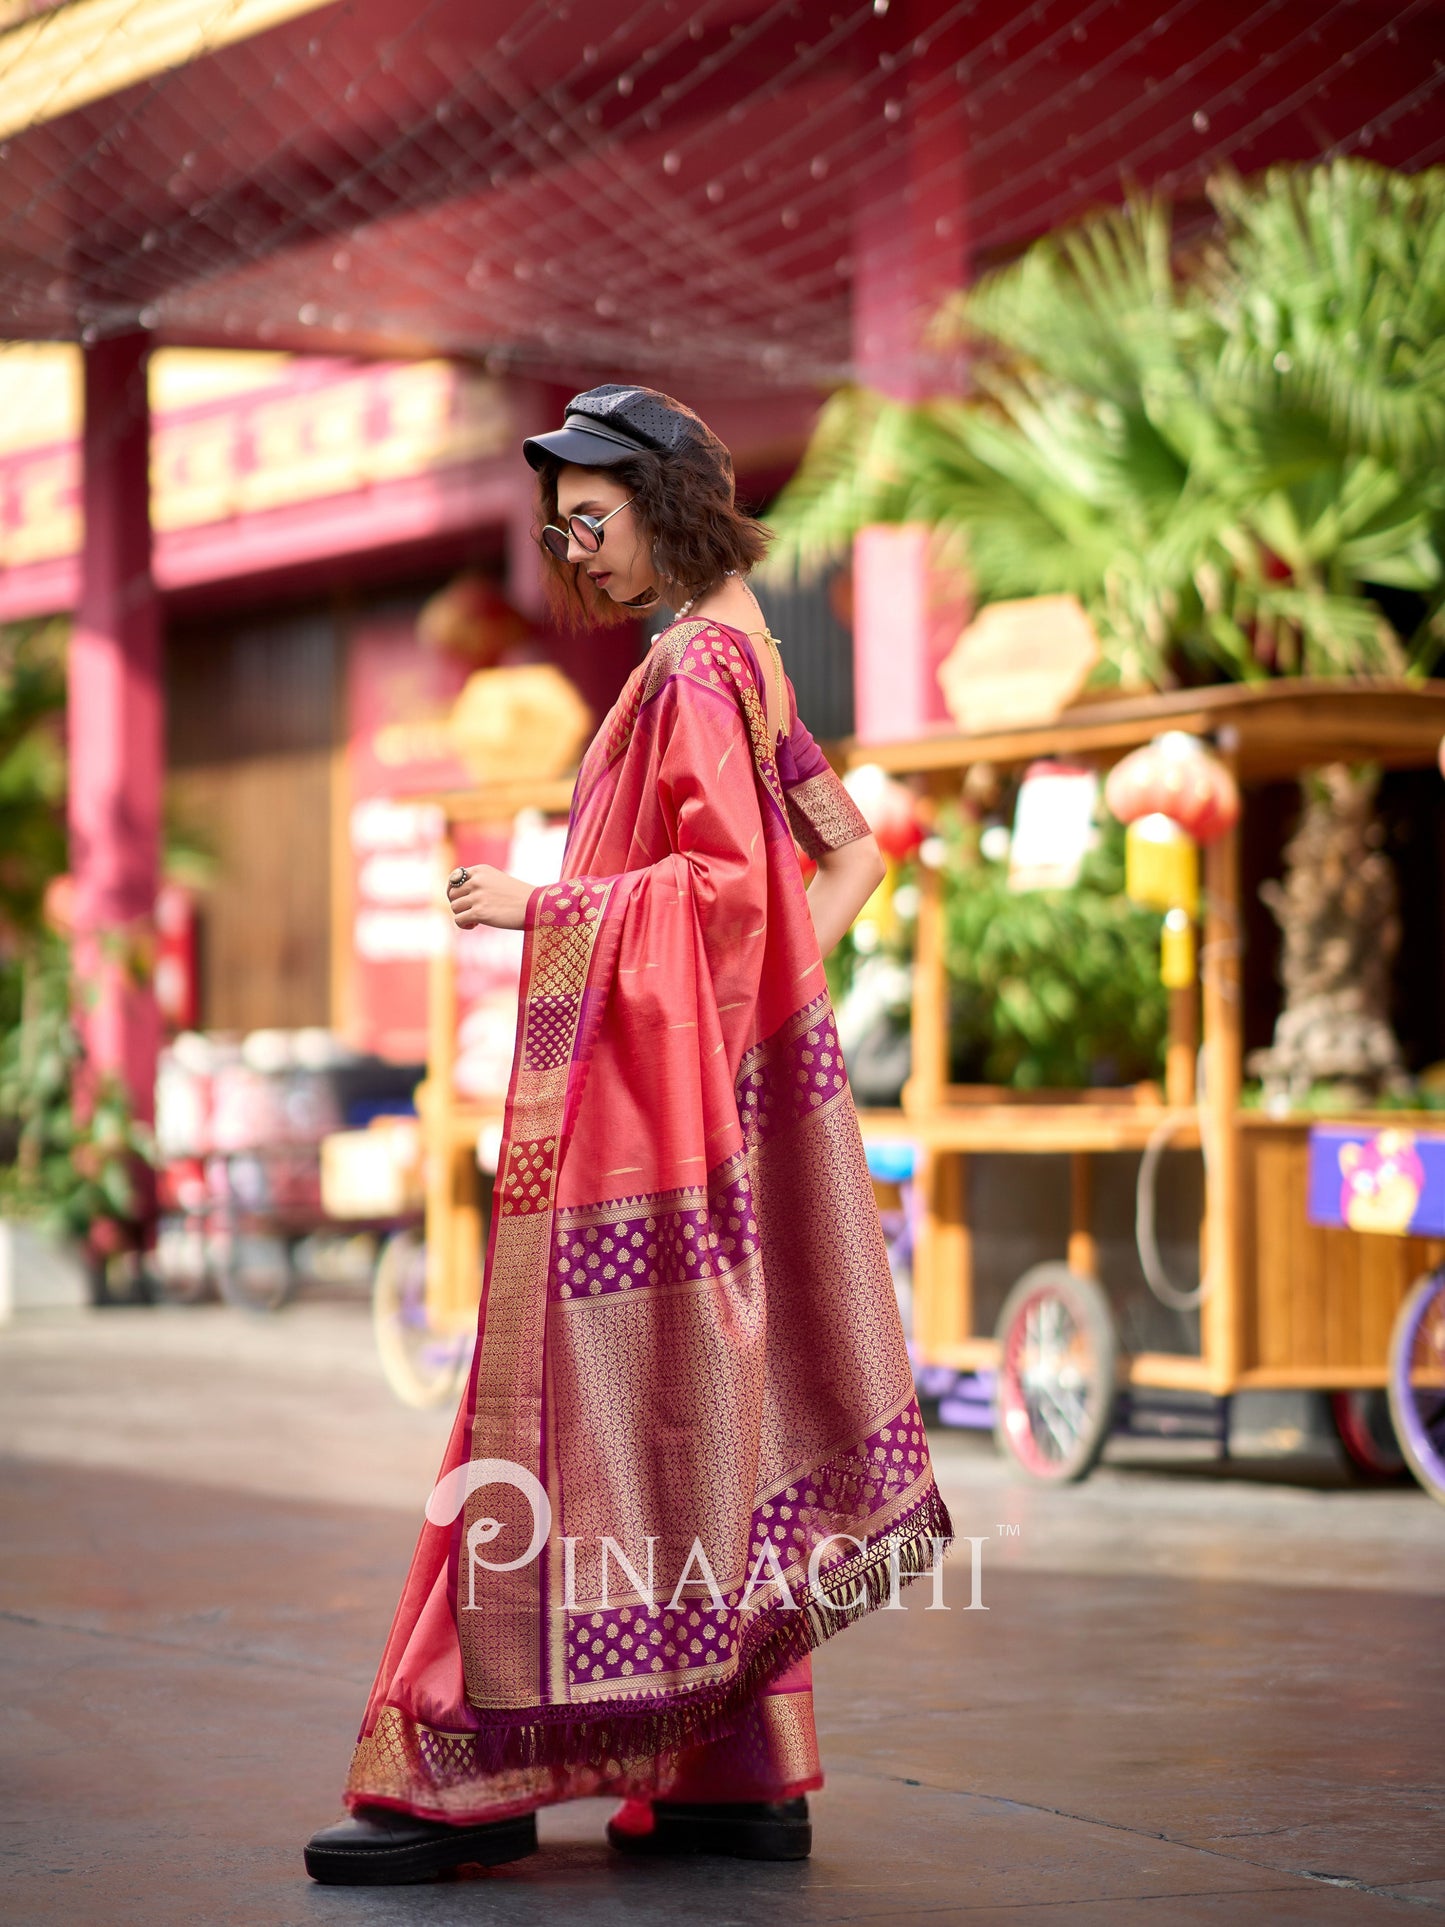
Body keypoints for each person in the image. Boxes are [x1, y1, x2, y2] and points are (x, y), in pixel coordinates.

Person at [304, 384, 953, 1885]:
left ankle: (467, 1758)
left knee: (541, 1427)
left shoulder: (698, 666)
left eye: (587, 524)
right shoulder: (745, 661)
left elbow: (733, 895)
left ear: (662, 506)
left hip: (630, 1122)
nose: (571, 559)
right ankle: (734, 1773)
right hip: (673, 1100)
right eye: (556, 533)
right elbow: (841, 868)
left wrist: (554, 912)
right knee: (683, 1423)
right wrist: (744, 1036)